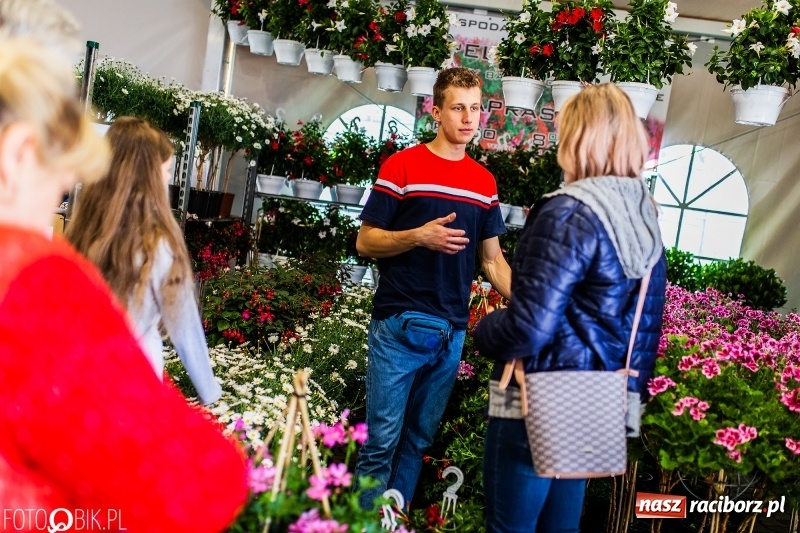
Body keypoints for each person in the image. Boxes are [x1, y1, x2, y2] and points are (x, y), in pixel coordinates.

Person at [0, 39, 248, 530]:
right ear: (21, 151)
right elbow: (185, 484)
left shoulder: (74, 242)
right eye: (64, 161)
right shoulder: (33, 272)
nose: (70, 181)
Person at [474, 83, 667, 532]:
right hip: (600, 401)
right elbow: (643, 330)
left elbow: (527, 328)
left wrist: (486, 330)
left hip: (536, 397)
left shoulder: (567, 212)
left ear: (578, 137)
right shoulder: (644, 216)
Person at [354, 67, 512, 509]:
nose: (468, 117)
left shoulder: (484, 183)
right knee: (382, 441)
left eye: (476, 108)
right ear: (437, 111)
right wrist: (416, 236)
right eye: (458, 107)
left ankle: (393, 518)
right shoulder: (402, 166)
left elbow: (493, 262)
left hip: (451, 330)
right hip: (399, 324)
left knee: (416, 441)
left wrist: (542, 307)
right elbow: (365, 240)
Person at [66, 117, 222, 405]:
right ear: (147, 175)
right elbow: (184, 324)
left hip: (79, 385)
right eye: (166, 171)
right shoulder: (158, 245)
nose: (168, 180)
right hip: (135, 391)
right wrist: (211, 393)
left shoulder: (81, 233)